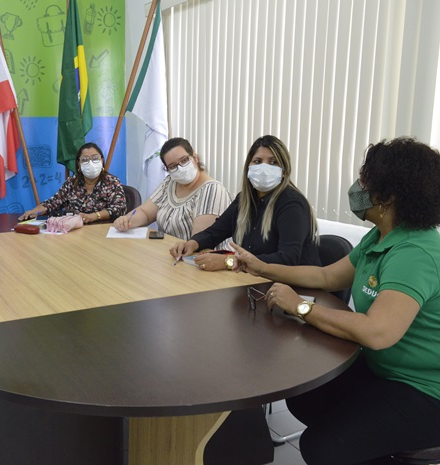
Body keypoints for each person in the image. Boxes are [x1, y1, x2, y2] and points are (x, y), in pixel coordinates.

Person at [233, 137, 440, 465]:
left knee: (323, 447)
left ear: (388, 195)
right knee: (304, 397)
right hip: (384, 369)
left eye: (365, 180)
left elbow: (377, 332)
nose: (357, 187)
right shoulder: (381, 236)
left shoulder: (414, 252)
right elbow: (328, 277)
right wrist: (261, 267)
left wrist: (301, 307)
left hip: (425, 390)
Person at [170, 135, 320, 271]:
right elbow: (215, 232)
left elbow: (288, 259)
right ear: (248, 168)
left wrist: (230, 261)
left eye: (273, 162)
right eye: (257, 161)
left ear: (284, 171)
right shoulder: (244, 199)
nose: (264, 168)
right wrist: (192, 243)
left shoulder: (292, 204)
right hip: (254, 279)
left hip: (293, 286)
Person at [113, 137, 232, 241]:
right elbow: (146, 213)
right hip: (167, 251)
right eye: (173, 166)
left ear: (194, 157)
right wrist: (126, 220)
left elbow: (199, 242)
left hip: (195, 257)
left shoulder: (212, 190)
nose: (180, 168)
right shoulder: (170, 182)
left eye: (184, 160)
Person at [19, 142, 126, 223]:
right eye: (85, 159)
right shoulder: (72, 182)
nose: (90, 163)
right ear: (79, 164)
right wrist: (35, 211)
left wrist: (93, 216)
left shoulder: (111, 182)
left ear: (102, 160)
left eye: (95, 158)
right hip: (74, 230)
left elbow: (119, 209)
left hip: (102, 230)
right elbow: (54, 202)